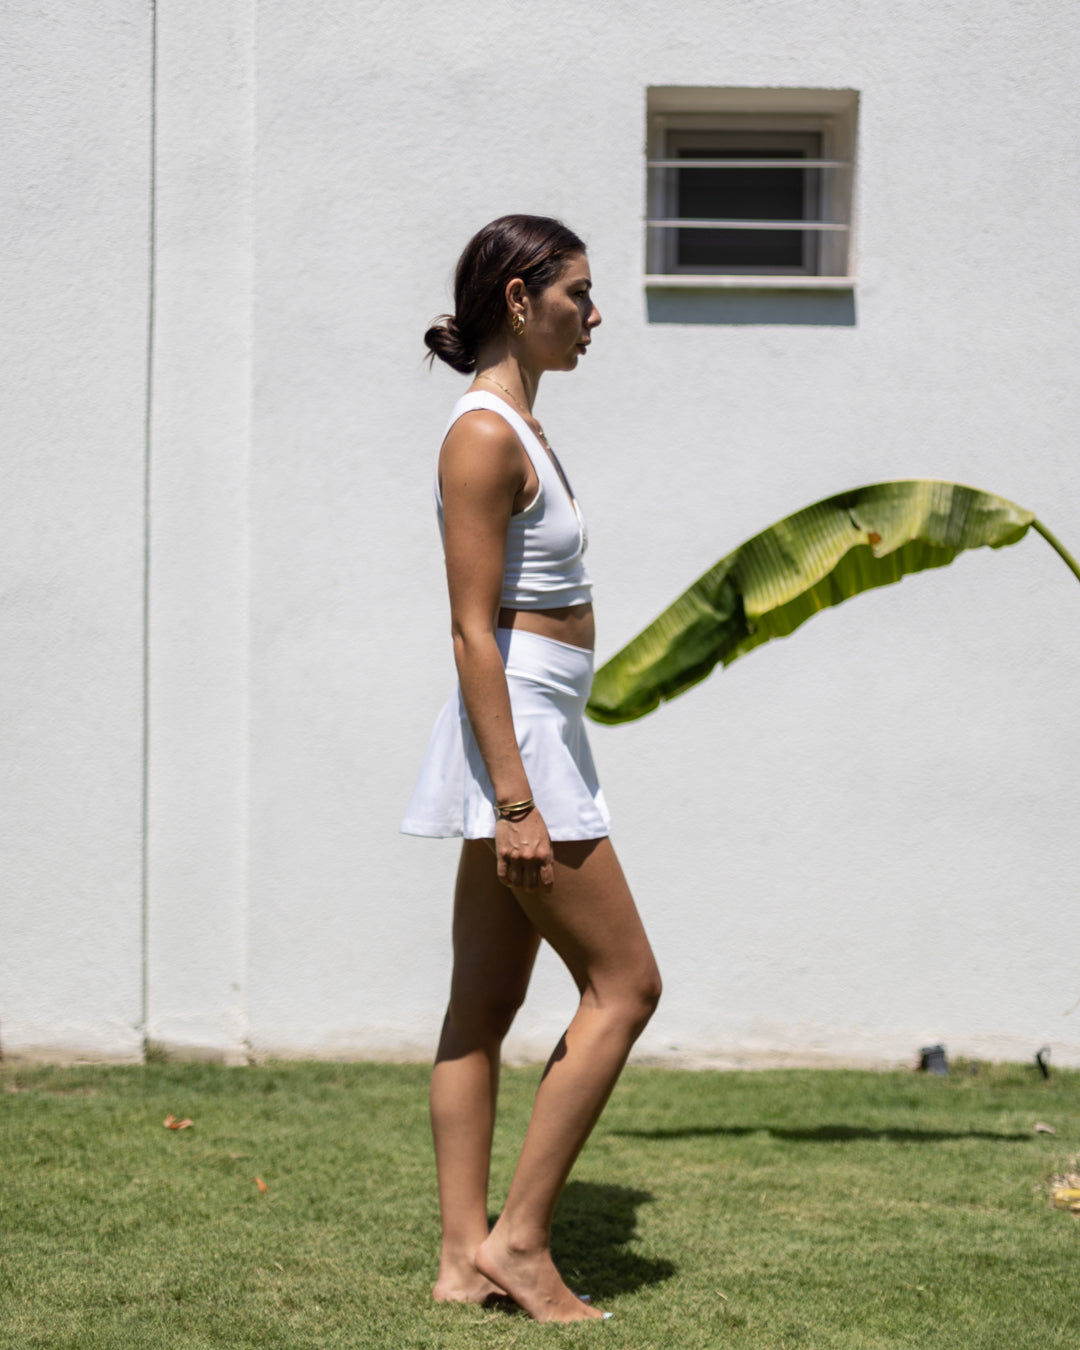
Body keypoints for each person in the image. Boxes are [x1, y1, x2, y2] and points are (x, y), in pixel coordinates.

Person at [401, 215, 662, 1324]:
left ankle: (464, 1264)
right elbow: (470, 633)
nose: (594, 316)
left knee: (485, 1002)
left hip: (536, 726)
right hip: (523, 742)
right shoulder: (482, 437)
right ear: (519, 298)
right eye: (578, 294)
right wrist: (514, 797)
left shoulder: (520, 425)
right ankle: (521, 1242)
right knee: (627, 986)